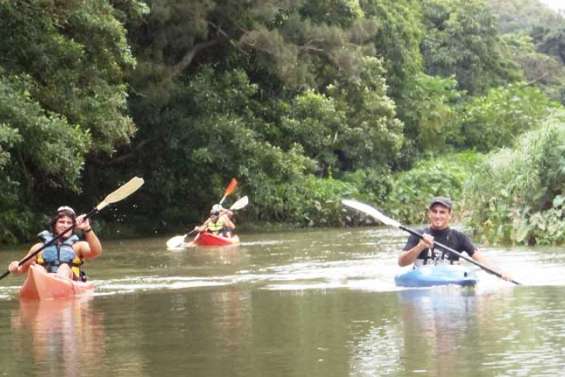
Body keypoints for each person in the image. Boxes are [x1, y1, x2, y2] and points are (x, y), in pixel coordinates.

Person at [399, 196, 510, 279]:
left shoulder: (460, 237)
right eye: (435, 212)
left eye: (442, 212)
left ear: (450, 215)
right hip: (423, 280)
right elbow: (401, 262)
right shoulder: (418, 235)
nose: (438, 216)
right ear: (429, 214)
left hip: (450, 284)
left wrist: (500, 272)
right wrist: (420, 246)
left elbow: (481, 259)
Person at [8, 206, 102, 281]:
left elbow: (96, 252)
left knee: (64, 267)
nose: (65, 226)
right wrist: (15, 267)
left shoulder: (78, 246)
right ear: (54, 225)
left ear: (73, 226)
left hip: (71, 280)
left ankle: (58, 283)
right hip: (43, 281)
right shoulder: (38, 248)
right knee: (36, 268)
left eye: (69, 223)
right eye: (61, 222)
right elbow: (20, 270)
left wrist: (87, 228)